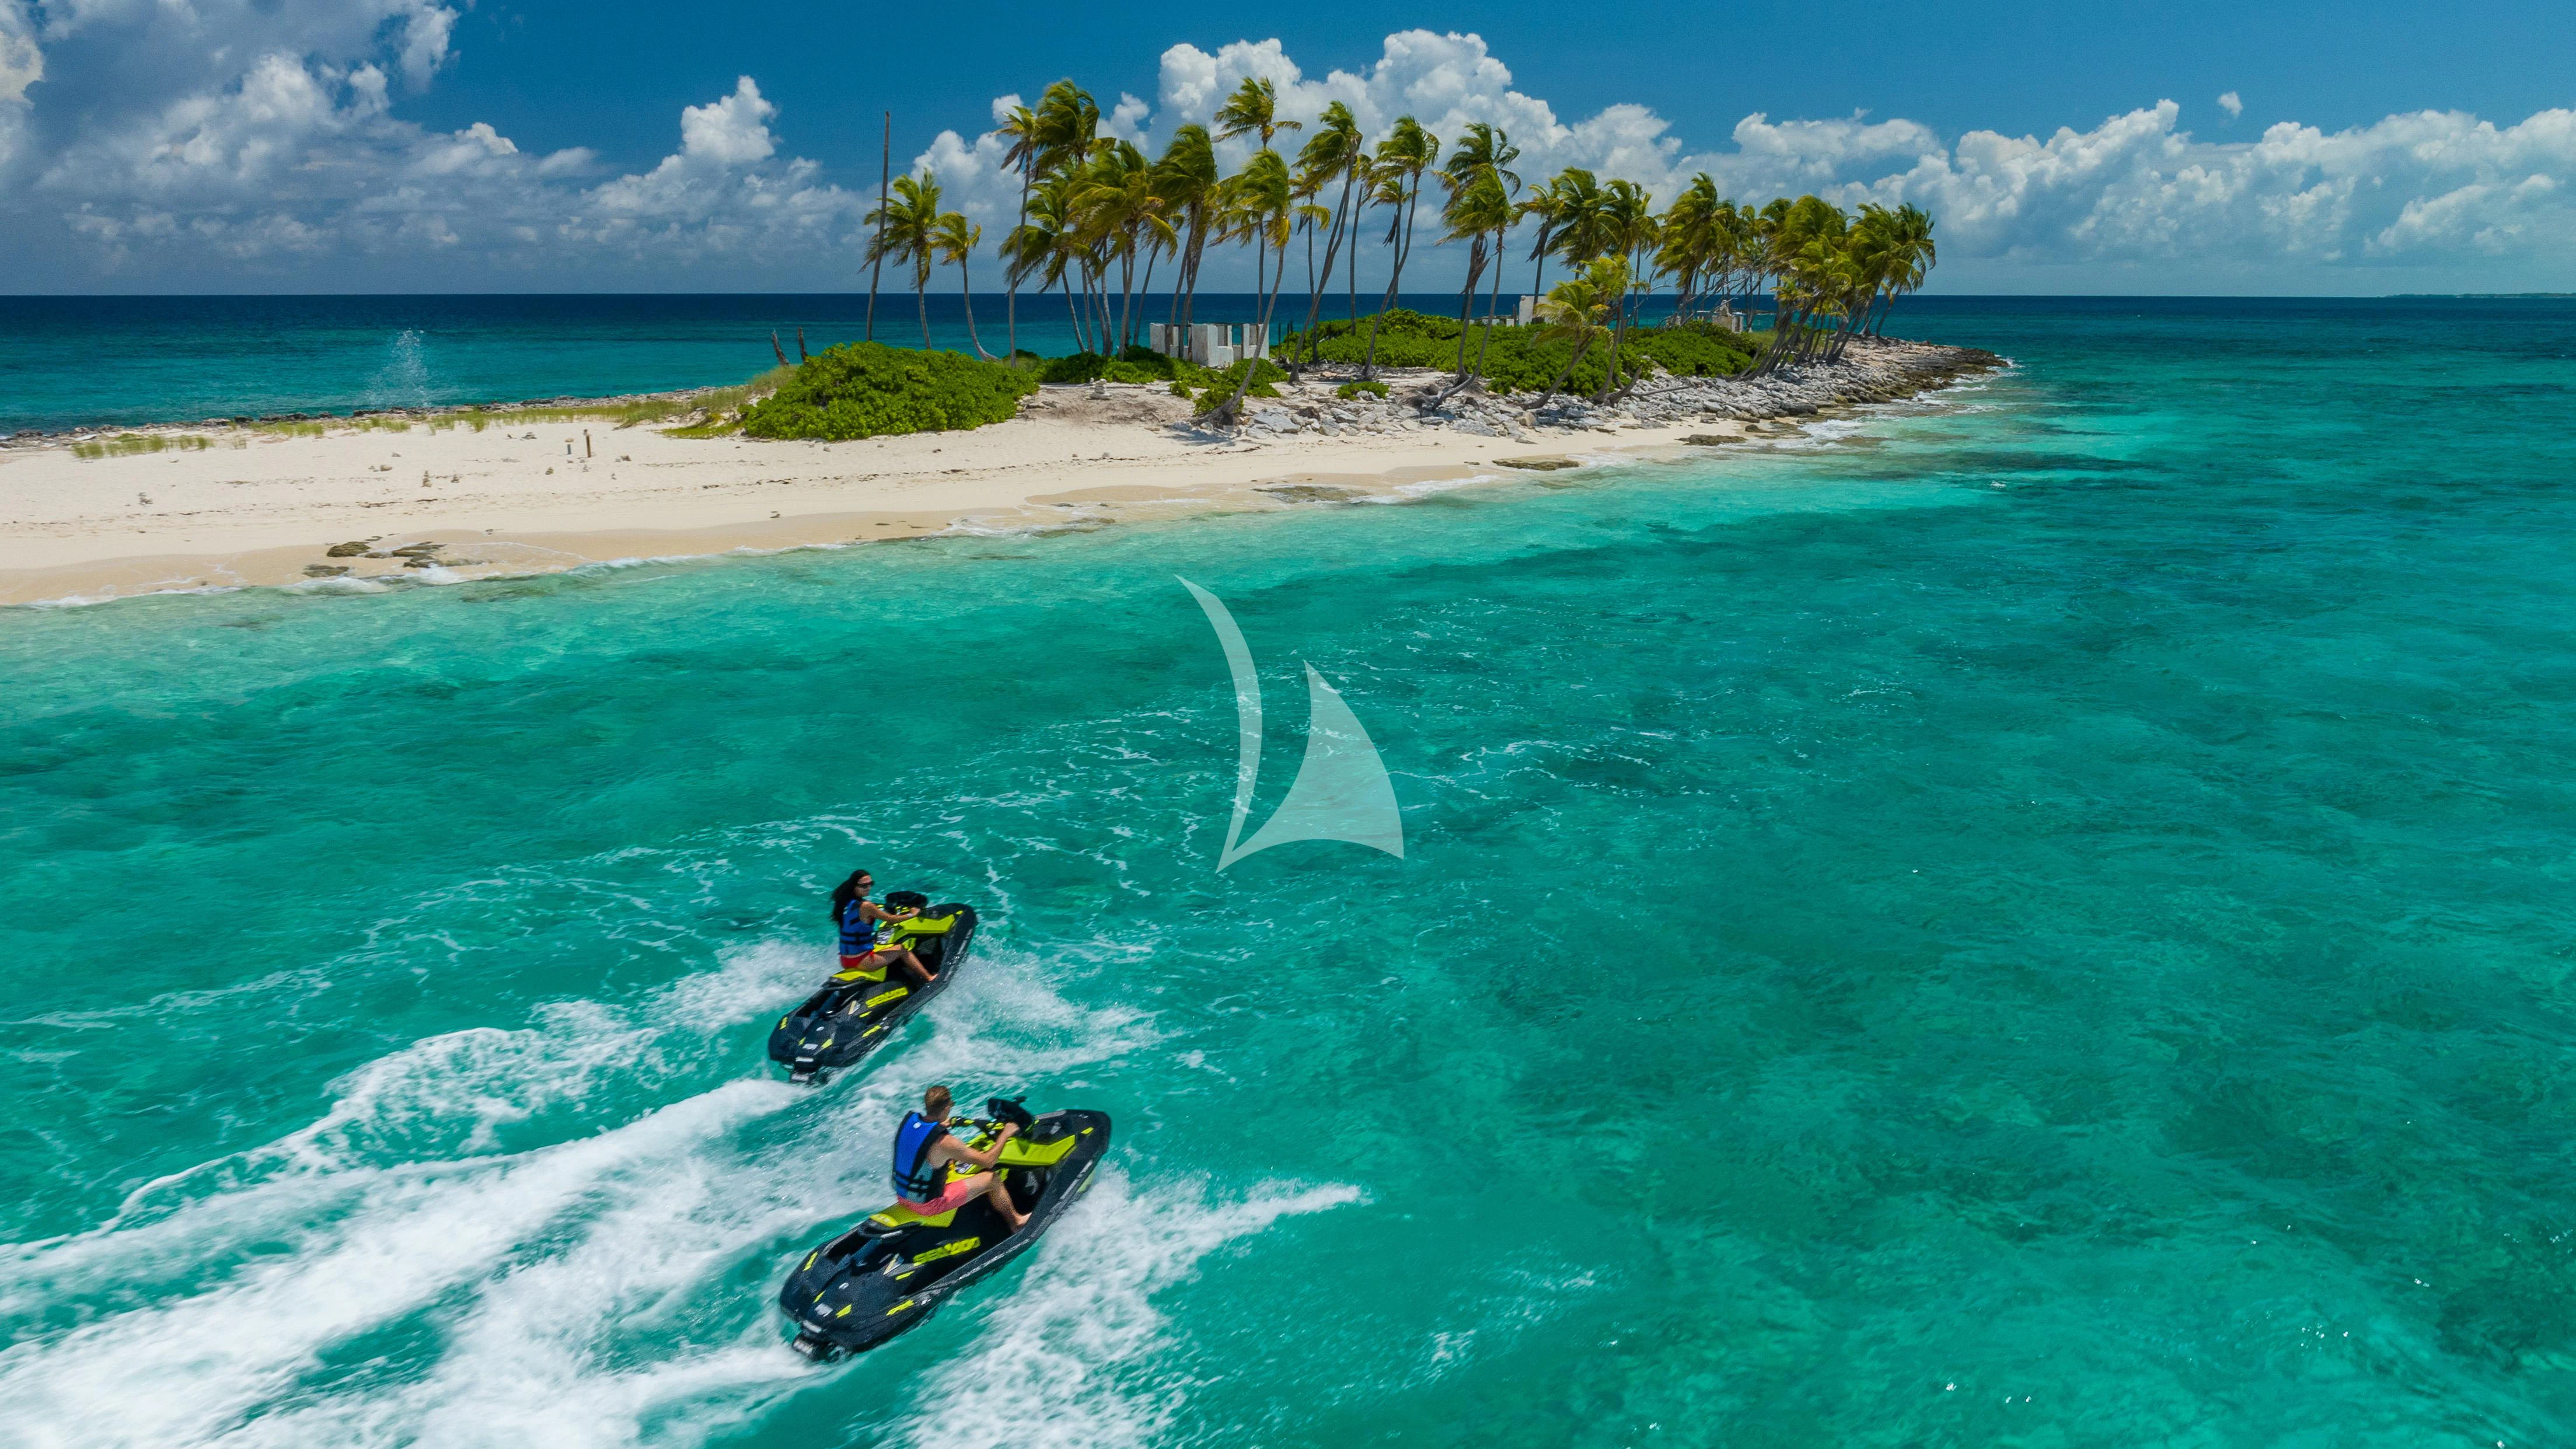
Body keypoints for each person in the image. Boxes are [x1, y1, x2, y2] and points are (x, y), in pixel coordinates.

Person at [889, 1085, 1028, 1233]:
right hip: (928, 1205)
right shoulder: (945, 1142)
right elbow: (989, 1161)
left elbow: (921, 1144)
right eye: (951, 1105)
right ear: (946, 1109)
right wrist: (1005, 1134)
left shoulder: (910, 1123)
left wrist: (940, 1124)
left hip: (903, 1197)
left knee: (952, 1165)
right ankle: (1016, 1221)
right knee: (992, 1178)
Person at [829, 869, 934, 986]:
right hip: (863, 961)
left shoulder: (846, 904)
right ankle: (929, 978)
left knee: (876, 942)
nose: (868, 888)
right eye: (864, 886)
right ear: (854, 887)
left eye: (870, 884)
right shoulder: (866, 906)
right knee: (901, 949)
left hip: (845, 960)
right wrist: (912, 914)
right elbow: (891, 919)